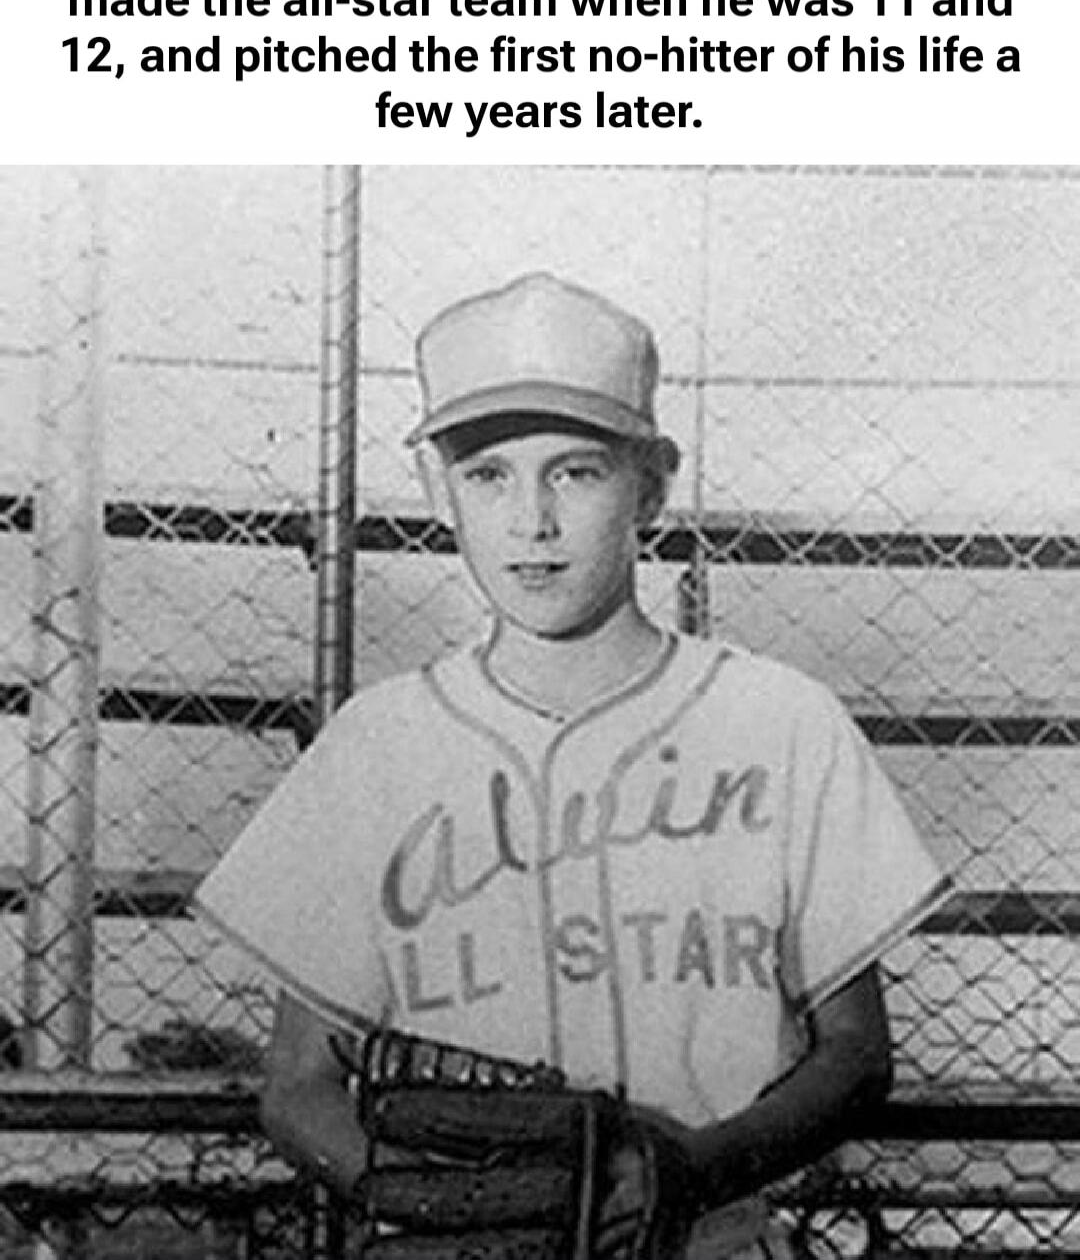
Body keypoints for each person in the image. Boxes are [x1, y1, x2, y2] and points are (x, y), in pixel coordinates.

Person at [195, 272, 950, 1258]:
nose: (533, 519)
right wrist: (438, 1207)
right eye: (489, 474)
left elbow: (854, 1054)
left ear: (654, 482)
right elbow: (298, 1082)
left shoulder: (779, 720)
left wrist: (695, 1169)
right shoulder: (377, 744)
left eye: (578, 471)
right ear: (437, 488)